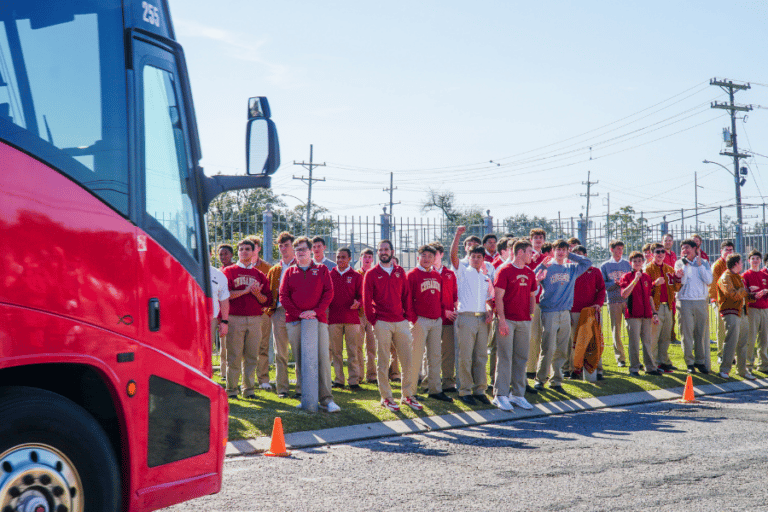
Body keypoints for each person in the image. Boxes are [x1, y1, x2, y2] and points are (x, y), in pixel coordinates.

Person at [280, 236, 340, 412]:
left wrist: (315, 311)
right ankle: (305, 396)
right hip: (295, 322)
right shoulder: (289, 272)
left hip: (318, 320)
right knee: (301, 360)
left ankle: (327, 399)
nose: (300, 252)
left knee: (322, 359)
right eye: (297, 250)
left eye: (303, 249)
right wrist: (299, 314)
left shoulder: (321, 270)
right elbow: (283, 296)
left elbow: (329, 293)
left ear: (311, 251)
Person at [363, 239, 421, 411]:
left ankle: (408, 395)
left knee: (408, 361)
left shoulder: (399, 271)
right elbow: (366, 301)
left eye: (386, 249)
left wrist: (408, 317)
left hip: (401, 322)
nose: (383, 252)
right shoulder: (372, 274)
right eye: (380, 250)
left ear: (392, 251)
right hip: (382, 322)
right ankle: (386, 397)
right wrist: (374, 321)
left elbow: (406, 296)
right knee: (383, 361)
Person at [533, 240, 591, 391]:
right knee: (547, 347)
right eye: (558, 249)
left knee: (562, 348)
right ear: (553, 250)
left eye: (563, 250)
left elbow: (587, 262)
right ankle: (540, 379)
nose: (560, 252)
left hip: (565, 312)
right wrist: (542, 266)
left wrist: (570, 254)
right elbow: (532, 279)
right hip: (549, 311)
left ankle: (556, 380)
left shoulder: (571, 268)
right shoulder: (548, 266)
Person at [222, 239, 272, 399]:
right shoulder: (229, 271)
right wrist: (245, 291)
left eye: (247, 249)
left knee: (252, 356)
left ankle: (249, 389)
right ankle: (231, 390)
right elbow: (225, 295)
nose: (244, 252)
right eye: (241, 249)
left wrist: (257, 294)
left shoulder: (260, 275)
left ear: (253, 252)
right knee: (234, 356)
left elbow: (267, 300)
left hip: (255, 319)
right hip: (235, 318)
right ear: (238, 252)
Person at [450, 226, 494, 406]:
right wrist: (458, 235)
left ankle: (480, 389)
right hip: (466, 317)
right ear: (469, 258)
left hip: (481, 319)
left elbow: (489, 298)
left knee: (481, 356)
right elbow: (453, 256)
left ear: (483, 259)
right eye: (473, 257)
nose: (476, 259)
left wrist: (490, 310)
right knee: (465, 355)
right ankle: (464, 390)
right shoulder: (462, 272)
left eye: (479, 257)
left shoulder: (485, 277)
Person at [494, 239, 539, 411]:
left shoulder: (529, 272)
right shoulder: (504, 271)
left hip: (524, 321)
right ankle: (501, 395)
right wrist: (502, 320)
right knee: (505, 357)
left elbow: (532, 295)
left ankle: (518, 395)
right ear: (520, 252)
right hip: (508, 320)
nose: (532, 255)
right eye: (529, 252)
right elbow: (498, 297)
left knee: (521, 358)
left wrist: (531, 315)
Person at [408, 245, 452, 402]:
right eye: (424, 256)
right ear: (418, 257)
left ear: (435, 259)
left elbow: (439, 298)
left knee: (435, 356)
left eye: (430, 257)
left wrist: (440, 315)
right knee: (415, 358)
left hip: (436, 321)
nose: (426, 259)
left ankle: (435, 389)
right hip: (420, 320)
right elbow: (407, 300)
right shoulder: (412, 275)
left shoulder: (436, 275)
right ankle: (410, 392)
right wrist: (414, 319)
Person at [716, 253, 761, 381]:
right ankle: (724, 370)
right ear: (735, 264)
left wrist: (753, 295)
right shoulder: (725, 277)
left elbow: (741, 295)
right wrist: (745, 291)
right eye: (741, 262)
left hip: (742, 312)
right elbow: (732, 294)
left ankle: (742, 370)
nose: (742, 264)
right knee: (731, 341)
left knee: (743, 342)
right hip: (731, 312)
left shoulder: (738, 277)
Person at [618, 252, 662, 376]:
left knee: (647, 342)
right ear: (630, 263)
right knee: (634, 343)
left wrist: (654, 313)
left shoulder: (647, 277)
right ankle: (634, 368)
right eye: (635, 261)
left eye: (639, 261)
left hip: (646, 315)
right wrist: (635, 279)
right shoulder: (626, 276)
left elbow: (649, 297)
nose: (637, 263)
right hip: (633, 315)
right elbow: (624, 294)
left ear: (643, 262)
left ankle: (650, 367)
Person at [266, 232, 298, 398]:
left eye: (287, 245)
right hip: (279, 313)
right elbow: (268, 293)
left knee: (299, 351)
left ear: (293, 246)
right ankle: (282, 388)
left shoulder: (301, 266)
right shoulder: (275, 269)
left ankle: (300, 387)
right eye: (281, 246)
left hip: (297, 313)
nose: (284, 249)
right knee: (281, 352)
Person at [675, 238, 712, 374]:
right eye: (683, 248)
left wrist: (700, 265)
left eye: (687, 248)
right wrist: (686, 265)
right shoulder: (679, 263)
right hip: (685, 302)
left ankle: (700, 361)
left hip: (701, 301)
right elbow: (682, 281)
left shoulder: (705, 263)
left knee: (700, 333)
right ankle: (689, 363)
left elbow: (708, 280)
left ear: (695, 249)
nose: (685, 250)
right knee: (687, 333)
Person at [328, 247, 363, 390]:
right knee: (336, 352)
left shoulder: (356, 276)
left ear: (349, 259)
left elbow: (362, 296)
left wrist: (358, 303)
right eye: (338, 257)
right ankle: (338, 380)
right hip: (334, 319)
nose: (340, 260)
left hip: (351, 319)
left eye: (343, 257)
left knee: (352, 351)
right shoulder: (329, 275)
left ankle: (354, 381)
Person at [568, 246, 605, 379]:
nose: (578, 257)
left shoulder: (594, 271)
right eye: (575, 254)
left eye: (580, 254)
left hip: (591, 311)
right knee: (576, 342)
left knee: (594, 340)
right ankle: (575, 369)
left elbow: (601, 290)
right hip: (574, 311)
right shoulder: (570, 271)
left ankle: (597, 369)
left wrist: (598, 304)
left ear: (585, 255)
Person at [645, 243, 681, 373]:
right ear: (652, 254)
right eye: (657, 252)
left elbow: (676, 288)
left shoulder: (669, 269)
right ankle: (652, 364)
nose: (660, 254)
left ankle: (664, 362)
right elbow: (644, 289)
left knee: (666, 336)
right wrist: (654, 283)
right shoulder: (648, 269)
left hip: (668, 305)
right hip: (656, 306)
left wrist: (678, 279)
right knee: (654, 337)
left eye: (662, 252)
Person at [246, 236, 275, 391]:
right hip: (244, 312)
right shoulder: (240, 267)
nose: (251, 249)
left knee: (263, 346)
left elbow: (270, 292)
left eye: (254, 246)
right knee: (246, 348)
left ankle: (263, 379)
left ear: (258, 248)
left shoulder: (267, 268)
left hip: (262, 312)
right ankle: (247, 380)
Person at [429, 242, 459, 393]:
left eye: (435, 253)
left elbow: (455, 296)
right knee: (431, 352)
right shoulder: (427, 273)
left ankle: (448, 381)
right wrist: (443, 311)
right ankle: (430, 381)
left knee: (448, 352)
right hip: (433, 318)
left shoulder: (450, 273)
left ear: (441, 254)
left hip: (449, 320)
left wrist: (456, 309)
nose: (432, 257)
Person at [601, 240, 631, 367]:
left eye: (621, 249)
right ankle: (620, 358)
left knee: (632, 329)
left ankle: (634, 358)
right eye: (617, 249)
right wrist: (614, 283)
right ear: (611, 250)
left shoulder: (627, 264)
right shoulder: (605, 266)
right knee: (616, 330)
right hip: (613, 301)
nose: (619, 251)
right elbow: (602, 285)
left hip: (628, 300)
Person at [526, 229, 547, 383]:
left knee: (544, 338)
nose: (538, 240)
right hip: (532, 301)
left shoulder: (547, 258)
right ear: (530, 239)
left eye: (541, 238)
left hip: (546, 302)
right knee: (533, 337)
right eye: (535, 237)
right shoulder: (527, 256)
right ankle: (530, 369)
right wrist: (535, 261)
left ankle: (542, 369)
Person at [709, 241, 735, 364]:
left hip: (732, 301)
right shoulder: (717, 265)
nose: (729, 252)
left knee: (732, 328)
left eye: (731, 250)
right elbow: (713, 286)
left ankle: (730, 354)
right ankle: (721, 354)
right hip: (720, 302)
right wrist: (719, 301)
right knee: (721, 328)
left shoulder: (733, 265)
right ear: (721, 251)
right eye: (726, 250)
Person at [743, 251, 768, 373]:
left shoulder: (765, 275)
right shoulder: (746, 275)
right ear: (749, 261)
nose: (755, 260)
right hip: (752, 309)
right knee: (751, 338)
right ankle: (748, 364)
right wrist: (753, 294)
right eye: (753, 258)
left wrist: (765, 292)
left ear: (760, 260)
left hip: (765, 309)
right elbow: (744, 294)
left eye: (758, 258)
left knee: (764, 339)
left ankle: (763, 364)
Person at [356, 248, 378, 383]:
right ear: (360, 259)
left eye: (370, 257)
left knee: (371, 346)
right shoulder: (356, 274)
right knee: (357, 346)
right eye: (365, 257)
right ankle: (358, 375)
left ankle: (372, 375)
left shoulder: (375, 274)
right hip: (358, 314)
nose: (367, 259)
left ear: (373, 259)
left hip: (372, 314)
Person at [209, 264, 230, 360]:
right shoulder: (182, 268)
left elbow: (224, 300)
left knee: (207, 352)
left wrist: (224, 321)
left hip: (210, 320)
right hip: (185, 318)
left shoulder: (218, 275)